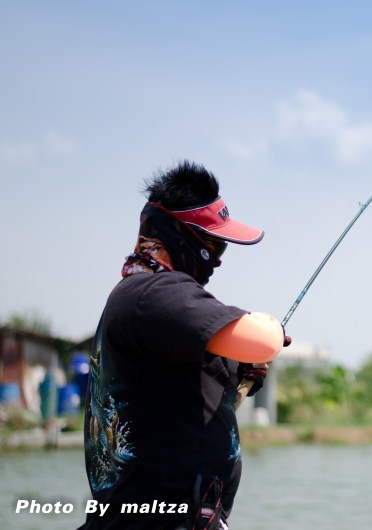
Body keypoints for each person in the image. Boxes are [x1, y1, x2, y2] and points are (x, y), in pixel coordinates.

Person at [80, 161, 288, 529]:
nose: (219, 260)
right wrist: (269, 326)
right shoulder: (154, 293)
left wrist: (240, 376)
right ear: (179, 235)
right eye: (215, 244)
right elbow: (264, 338)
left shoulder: (141, 299)